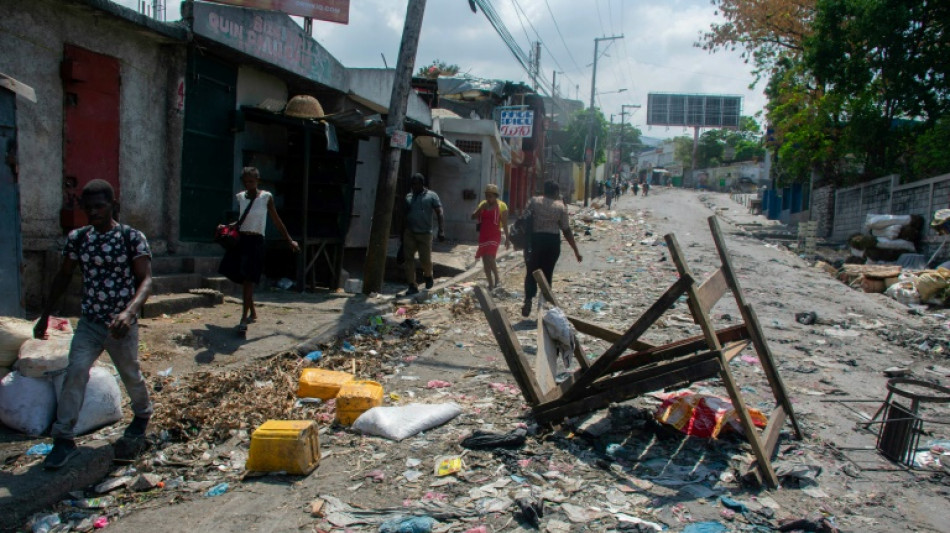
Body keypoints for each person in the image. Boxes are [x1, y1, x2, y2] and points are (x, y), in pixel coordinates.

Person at [33, 179, 153, 469]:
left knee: (130, 373)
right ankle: (63, 439)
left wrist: (129, 313)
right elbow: (63, 276)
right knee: (75, 372)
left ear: (113, 205)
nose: (93, 212)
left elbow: (146, 280)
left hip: (120, 325)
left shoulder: (131, 237)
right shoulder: (79, 238)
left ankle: (142, 413)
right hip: (89, 323)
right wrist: (45, 315)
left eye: (99, 206)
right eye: (88, 208)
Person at [218, 167, 299, 333]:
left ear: (258, 181)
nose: (249, 185)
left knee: (249, 279)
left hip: (256, 242)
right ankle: (253, 312)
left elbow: (276, 220)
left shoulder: (266, 197)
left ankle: (243, 319)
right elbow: (242, 220)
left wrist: (289, 240)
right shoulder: (241, 197)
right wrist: (227, 227)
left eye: (252, 181)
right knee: (240, 276)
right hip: (242, 240)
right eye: (246, 182)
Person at [522, 181, 583, 317]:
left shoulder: (534, 202)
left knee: (531, 271)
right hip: (552, 243)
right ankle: (543, 305)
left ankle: (528, 299)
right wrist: (576, 251)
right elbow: (566, 230)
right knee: (547, 273)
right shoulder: (560, 207)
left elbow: (525, 218)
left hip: (535, 241)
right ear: (556, 192)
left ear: (544, 190)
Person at [403, 173, 445, 295]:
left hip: (425, 234)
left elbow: (439, 212)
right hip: (410, 232)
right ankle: (412, 285)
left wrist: (441, 230)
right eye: (412, 184)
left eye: (416, 184)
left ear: (422, 184)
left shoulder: (432, 196)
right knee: (408, 259)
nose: (414, 187)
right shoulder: (409, 197)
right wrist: (402, 234)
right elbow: (404, 215)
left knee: (425, 259)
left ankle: (428, 275)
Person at [472, 184, 510, 290]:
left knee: (489, 256)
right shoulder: (483, 204)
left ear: (495, 196)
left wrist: (507, 239)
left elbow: (505, 224)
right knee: (485, 259)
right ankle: (490, 283)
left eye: (490, 196)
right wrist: (480, 209)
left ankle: (497, 278)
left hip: (495, 234)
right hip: (484, 235)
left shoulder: (502, 206)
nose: (488, 198)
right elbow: (473, 216)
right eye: (487, 196)